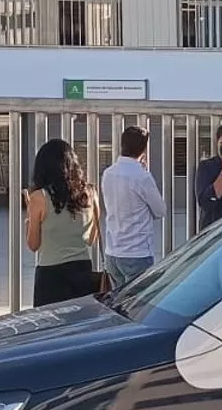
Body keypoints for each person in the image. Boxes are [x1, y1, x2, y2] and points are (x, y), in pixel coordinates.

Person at [27, 138, 101, 305]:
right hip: (82, 270)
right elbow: (91, 239)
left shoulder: (39, 198)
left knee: (51, 327)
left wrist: (29, 224)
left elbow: (33, 244)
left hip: (50, 274)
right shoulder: (90, 192)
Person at [99, 126, 168, 290]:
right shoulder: (142, 176)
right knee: (137, 307)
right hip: (137, 252)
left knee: (117, 302)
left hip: (113, 251)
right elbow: (160, 210)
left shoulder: (108, 173)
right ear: (144, 148)